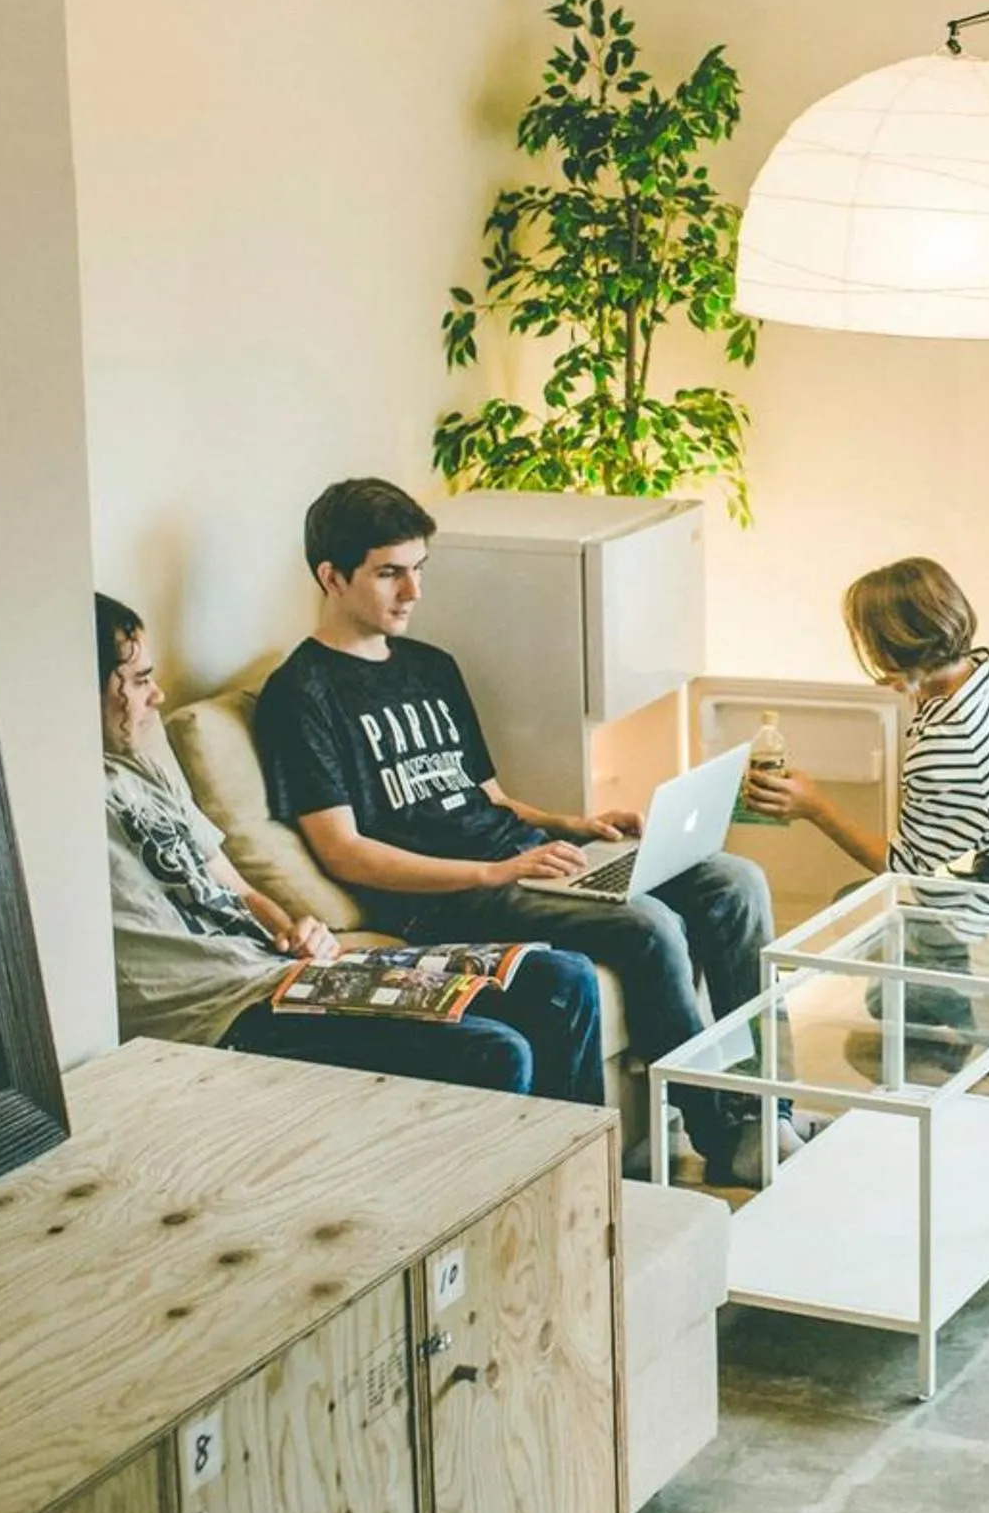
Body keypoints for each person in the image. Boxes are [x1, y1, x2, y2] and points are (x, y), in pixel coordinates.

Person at [249, 481, 782, 1181]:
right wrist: (494, 873)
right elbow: (344, 852)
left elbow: (490, 798)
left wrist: (576, 825)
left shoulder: (431, 666)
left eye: (419, 569)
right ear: (331, 576)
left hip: (524, 861)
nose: (412, 591)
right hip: (448, 897)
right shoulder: (302, 694)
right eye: (389, 572)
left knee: (733, 881)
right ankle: (722, 1133)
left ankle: (768, 1108)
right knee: (647, 923)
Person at [98, 594, 601, 1106]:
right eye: (137, 681)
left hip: (283, 970)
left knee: (563, 980)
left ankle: (585, 1183)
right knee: (496, 1051)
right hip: (223, 1012)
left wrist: (292, 927)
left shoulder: (144, 767)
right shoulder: (56, 814)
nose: (157, 695)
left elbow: (237, 886)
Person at [744, 557, 989, 1048]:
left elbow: (904, 868)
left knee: (885, 991)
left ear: (889, 647)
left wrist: (816, 807)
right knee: (893, 915)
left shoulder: (951, 743)